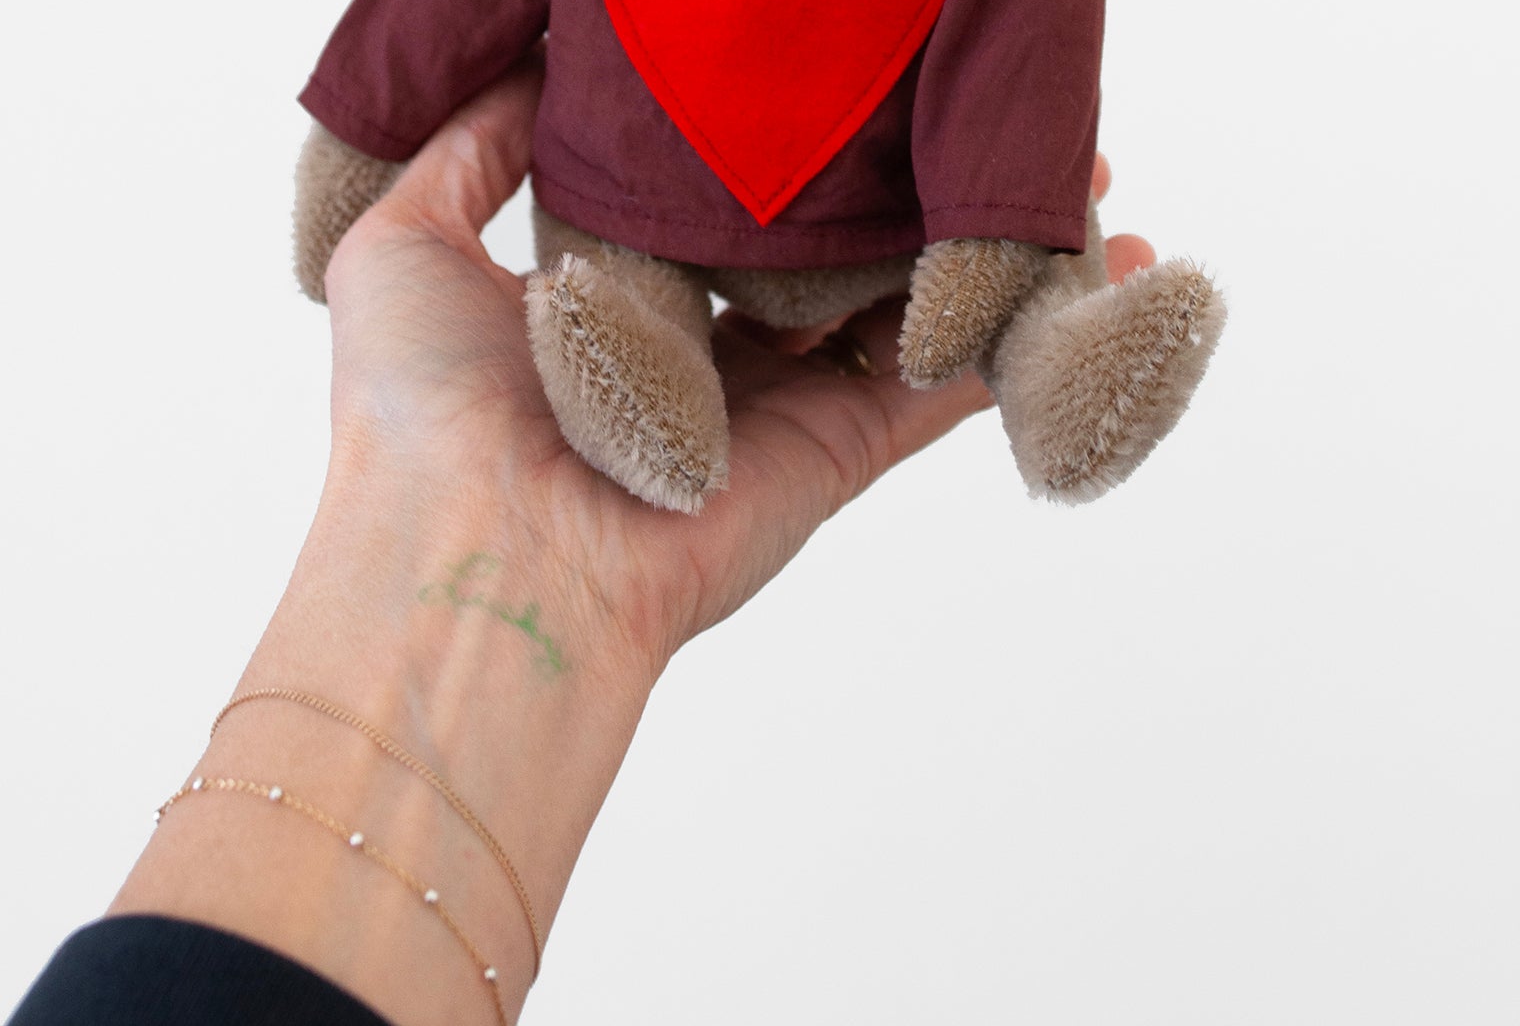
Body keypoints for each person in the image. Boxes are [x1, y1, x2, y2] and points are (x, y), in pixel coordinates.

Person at [9, 53, 1155, 1026]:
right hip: (645, 202)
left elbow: (1035, 10)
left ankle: (1052, 347)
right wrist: (364, 119)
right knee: (619, 250)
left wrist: (1011, 188)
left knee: (1027, 213)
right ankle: (640, 346)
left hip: (906, 199)